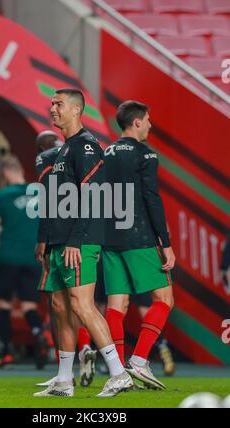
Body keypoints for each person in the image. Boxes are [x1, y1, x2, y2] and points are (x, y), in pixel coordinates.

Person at [34, 88, 133, 398]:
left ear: (76, 111)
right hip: (61, 242)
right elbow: (57, 201)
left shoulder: (87, 146)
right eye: (51, 103)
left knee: (81, 304)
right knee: (60, 305)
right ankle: (64, 380)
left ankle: (119, 374)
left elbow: (93, 196)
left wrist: (76, 240)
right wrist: (47, 243)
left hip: (81, 241)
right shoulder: (64, 149)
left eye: (58, 104)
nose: (52, 108)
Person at [103, 101, 176, 390]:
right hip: (138, 236)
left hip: (109, 238)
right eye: (148, 120)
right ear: (136, 123)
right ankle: (140, 360)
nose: (150, 125)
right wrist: (165, 243)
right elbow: (152, 199)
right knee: (164, 299)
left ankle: (117, 372)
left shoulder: (105, 152)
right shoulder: (146, 154)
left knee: (116, 305)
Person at [34, 130, 97, 388]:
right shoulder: (78, 153)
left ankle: (70, 368)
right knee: (81, 303)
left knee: (60, 306)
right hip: (86, 237)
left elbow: (48, 200)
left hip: (62, 239)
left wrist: (42, 240)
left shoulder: (46, 159)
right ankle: (82, 351)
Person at [0, 155, 46, 369]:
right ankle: (38, 333)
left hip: (8, 257)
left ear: (4, 174)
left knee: (4, 303)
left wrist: (8, 227)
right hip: (33, 257)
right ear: (21, 169)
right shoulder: (39, 192)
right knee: (29, 305)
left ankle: (5, 352)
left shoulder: (2, 196)